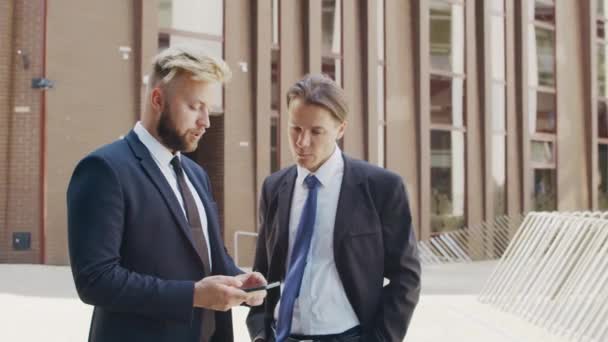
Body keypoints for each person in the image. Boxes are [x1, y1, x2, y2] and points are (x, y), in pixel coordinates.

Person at [67, 45, 266, 342]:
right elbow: (96, 280)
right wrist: (193, 296)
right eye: (194, 106)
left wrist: (241, 279)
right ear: (158, 99)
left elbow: (208, 256)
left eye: (207, 109)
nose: (206, 122)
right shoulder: (103, 169)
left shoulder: (196, 174)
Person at [247, 74, 421, 342]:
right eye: (295, 129)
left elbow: (406, 277)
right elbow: (263, 270)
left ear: (340, 129)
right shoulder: (274, 187)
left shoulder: (382, 188)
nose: (302, 142)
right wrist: (259, 332)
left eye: (316, 131)